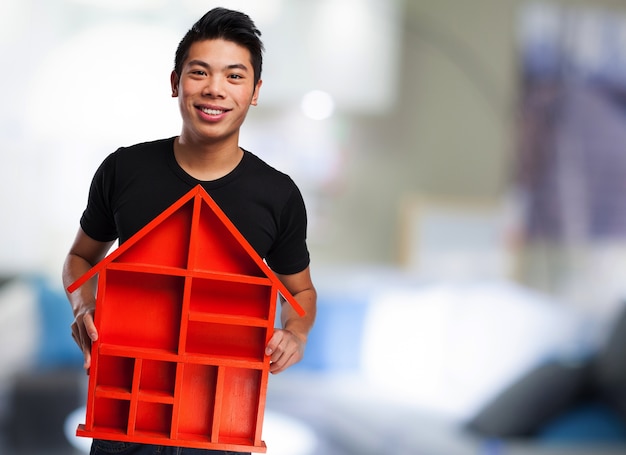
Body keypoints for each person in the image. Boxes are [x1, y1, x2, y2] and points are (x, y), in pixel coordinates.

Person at [62, 7, 317, 455]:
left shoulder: (277, 195)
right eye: (200, 72)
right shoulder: (124, 169)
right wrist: (84, 304)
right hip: (124, 423)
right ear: (176, 81)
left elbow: (301, 293)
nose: (214, 89)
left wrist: (294, 334)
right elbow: (80, 258)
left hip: (221, 426)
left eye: (234, 76)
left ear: (255, 92)